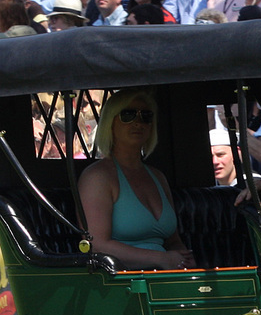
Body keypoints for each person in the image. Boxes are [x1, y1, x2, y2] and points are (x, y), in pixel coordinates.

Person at [74, 91, 194, 270]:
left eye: (146, 116)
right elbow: (96, 245)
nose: (138, 122)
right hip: (120, 282)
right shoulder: (97, 177)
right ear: (110, 122)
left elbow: (173, 241)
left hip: (166, 280)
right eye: (128, 115)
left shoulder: (158, 177)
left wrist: (186, 262)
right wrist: (161, 259)